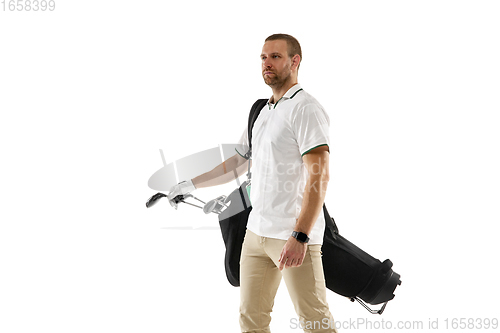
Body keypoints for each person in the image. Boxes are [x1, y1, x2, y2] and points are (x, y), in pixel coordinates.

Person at [168, 34, 338, 333]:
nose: (266, 64)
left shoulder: (306, 109)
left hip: (293, 236)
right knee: (251, 320)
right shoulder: (261, 111)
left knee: (316, 323)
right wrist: (190, 184)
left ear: (294, 61)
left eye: (275, 56)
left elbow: (319, 176)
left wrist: (299, 236)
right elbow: (236, 162)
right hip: (256, 233)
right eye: (263, 57)